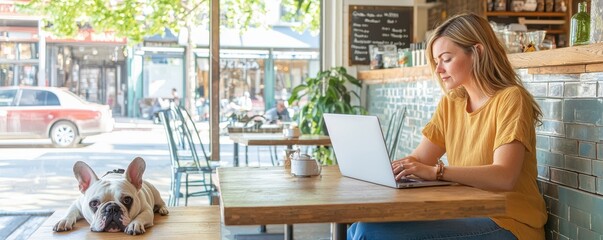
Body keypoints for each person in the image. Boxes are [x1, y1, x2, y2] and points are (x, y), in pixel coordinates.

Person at [347, 13, 546, 240]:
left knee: (367, 232)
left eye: (446, 59)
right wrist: (390, 170)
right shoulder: (452, 103)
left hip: (508, 222)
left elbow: (504, 176)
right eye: (436, 61)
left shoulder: (511, 98)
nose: (439, 69)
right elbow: (420, 160)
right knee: (359, 227)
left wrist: (437, 172)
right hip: (465, 212)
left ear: (477, 52)